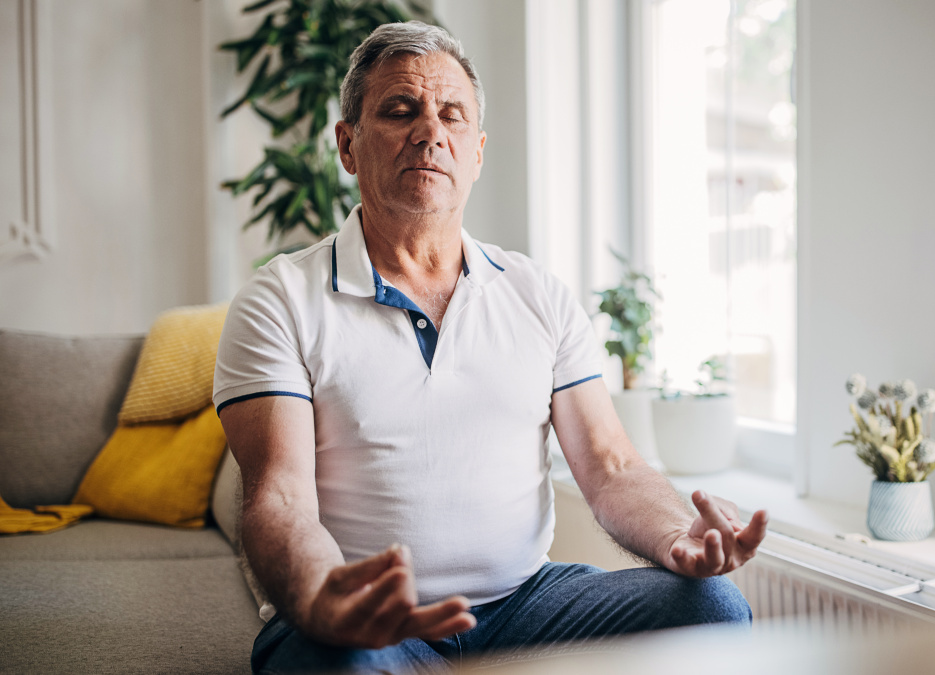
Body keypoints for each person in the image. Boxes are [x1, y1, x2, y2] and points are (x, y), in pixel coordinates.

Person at [214, 21, 769, 674]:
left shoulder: (538, 294)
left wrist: (678, 535)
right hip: (366, 615)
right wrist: (317, 597)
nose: (429, 132)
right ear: (347, 144)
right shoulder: (278, 298)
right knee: (334, 661)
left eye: (452, 115)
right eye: (400, 110)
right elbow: (277, 499)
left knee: (714, 609)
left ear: (475, 152)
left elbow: (613, 467)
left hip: (526, 603)